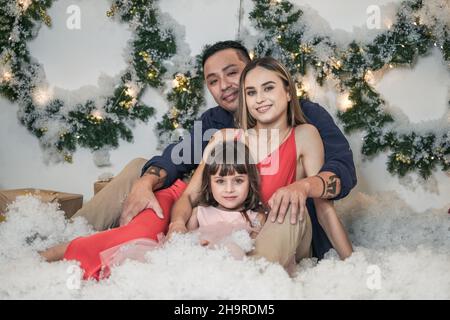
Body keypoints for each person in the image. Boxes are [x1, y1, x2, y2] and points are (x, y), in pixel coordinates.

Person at [41, 41, 355, 279]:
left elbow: (340, 170)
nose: (225, 86)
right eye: (213, 81)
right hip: (207, 198)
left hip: (263, 216)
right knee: (141, 168)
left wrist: (305, 185)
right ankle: (67, 234)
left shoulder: (306, 119)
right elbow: (178, 157)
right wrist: (148, 181)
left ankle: (79, 248)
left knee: (151, 233)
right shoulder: (215, 123)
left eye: (232, 73)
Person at [167, 57, 352, 270]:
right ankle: (221, 271)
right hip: (235, 236)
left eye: (268, 88)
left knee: (289, 206)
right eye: (251, 92)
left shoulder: (304, 136)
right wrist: (177, 224)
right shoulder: (226, 138)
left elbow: (325, 209)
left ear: (288, 92)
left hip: (287, 232)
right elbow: (189, 196)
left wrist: (352, 263)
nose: (260, 99)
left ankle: (252, 274)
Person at [98, 140, 268, 278]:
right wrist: (197, 245)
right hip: (195, 270)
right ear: (209, 183)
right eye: (220, 181)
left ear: (250, 181)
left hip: (228, 273)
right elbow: (181, 244)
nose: (229, 189)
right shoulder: (199, 213)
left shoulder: (255, 218)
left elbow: (255, 253)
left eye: (238, 181)